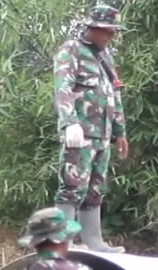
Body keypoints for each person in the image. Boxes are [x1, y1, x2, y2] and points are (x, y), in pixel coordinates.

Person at [51, 3, 130, 253]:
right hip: (80, 134)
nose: (110, 36)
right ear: (92, 27)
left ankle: (93, 241)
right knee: (72, 186)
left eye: (113, 32)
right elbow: (62, 89)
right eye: (106, 31)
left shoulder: (105, 57)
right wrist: (69, 122)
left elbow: (113, 94)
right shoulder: (71, 50)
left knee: (96, 188)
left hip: (102, 136)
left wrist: (120, 132)